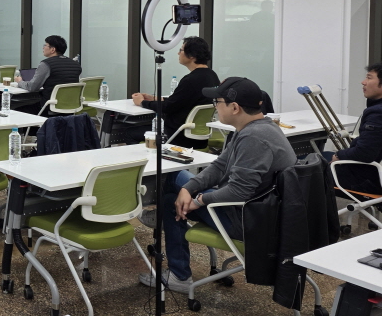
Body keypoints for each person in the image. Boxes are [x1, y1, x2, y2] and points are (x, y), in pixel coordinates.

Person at [139, 77, 296, 293]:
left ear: (235, 107)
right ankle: (164, 222)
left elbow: (239, 191)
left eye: (217, 102)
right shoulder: (256, 128)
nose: (214, 107)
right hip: (257, 210)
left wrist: (199, 200)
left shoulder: (254, 138)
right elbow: (220, 166)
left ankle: (179, 274)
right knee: (176, 186)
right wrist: (188, 189)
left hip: (251, 220)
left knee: (170, 198)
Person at [131, 36, 221, 149]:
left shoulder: (190, 80)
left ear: (192, 55)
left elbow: (168, 107)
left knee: (130, 133)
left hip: (177, 136)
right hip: (198, 138)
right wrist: (155, 98)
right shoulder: (212, 76)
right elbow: (182, 101)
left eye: (181, 50)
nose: (178, 53)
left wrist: (142, 102)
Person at [331, 63, 382, 196]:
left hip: (366, 180)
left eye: (369, 78)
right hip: (372, 175)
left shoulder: (377, 113)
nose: (363, 82)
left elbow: (365, 153)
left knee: (306, 174)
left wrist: (339, 155)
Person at [16, 35, 82, 108]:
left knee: (15, 108)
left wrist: (20, 81)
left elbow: (32, 87)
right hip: (71, 107)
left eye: (45, 45)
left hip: (49, 106)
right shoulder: (76, 64)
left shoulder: (46, 64)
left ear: (52, 50)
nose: (43, 48)